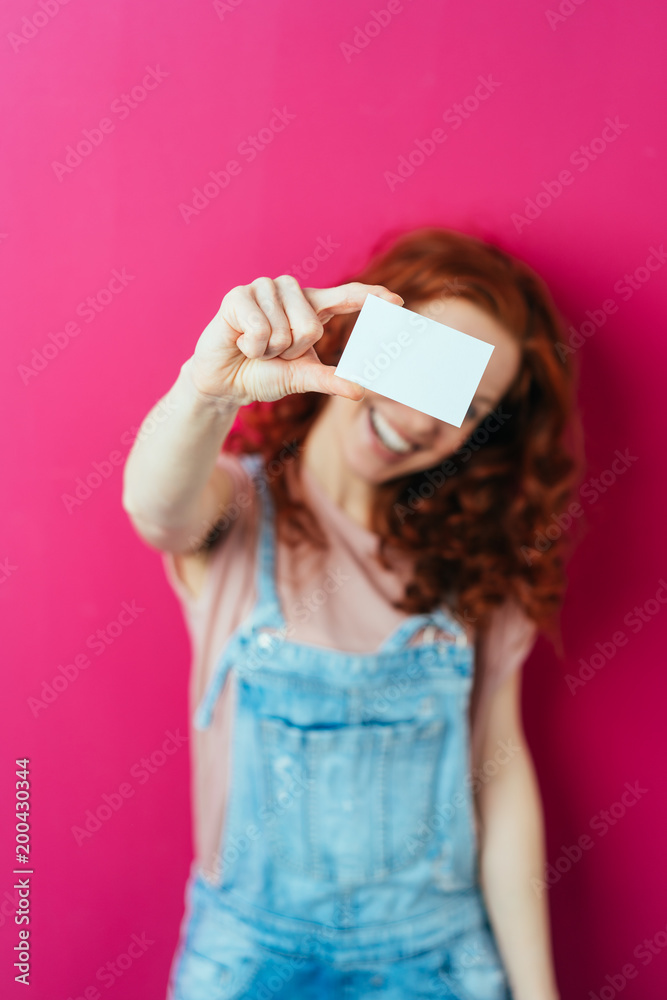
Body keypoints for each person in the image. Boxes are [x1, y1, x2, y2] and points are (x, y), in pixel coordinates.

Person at [122, 226, 581, 999]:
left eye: (464, 407)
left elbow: (498, 780)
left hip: (437, 963)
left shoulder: (481, 566)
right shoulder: (233, 509)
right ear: (354, 336)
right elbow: (155, 510)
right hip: (247, 965)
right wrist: (207, 390)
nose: (419, 418)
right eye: (417, 364)